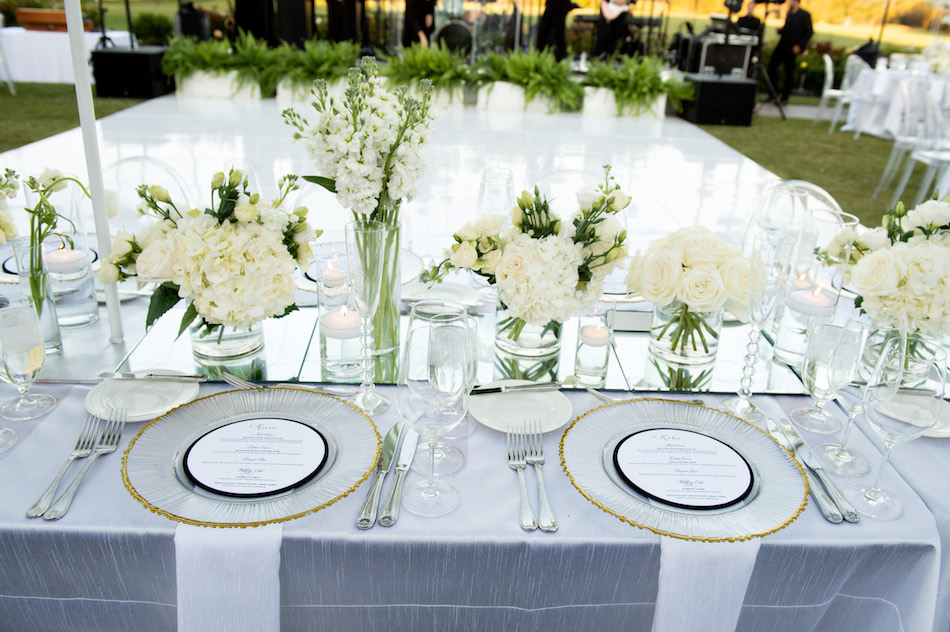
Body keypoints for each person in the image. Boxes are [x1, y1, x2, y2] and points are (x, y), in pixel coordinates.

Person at [766, 0, 812, 105]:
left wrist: (799, 46)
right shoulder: (789, 13)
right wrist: (781, 31)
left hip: (793, 47)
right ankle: (773, 93)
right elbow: (787, 29)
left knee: (789, 72)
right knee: (771, 67)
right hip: (782, 45)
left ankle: (785, 98)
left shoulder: (804, 15)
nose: (789, 2)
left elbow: (809, 32)